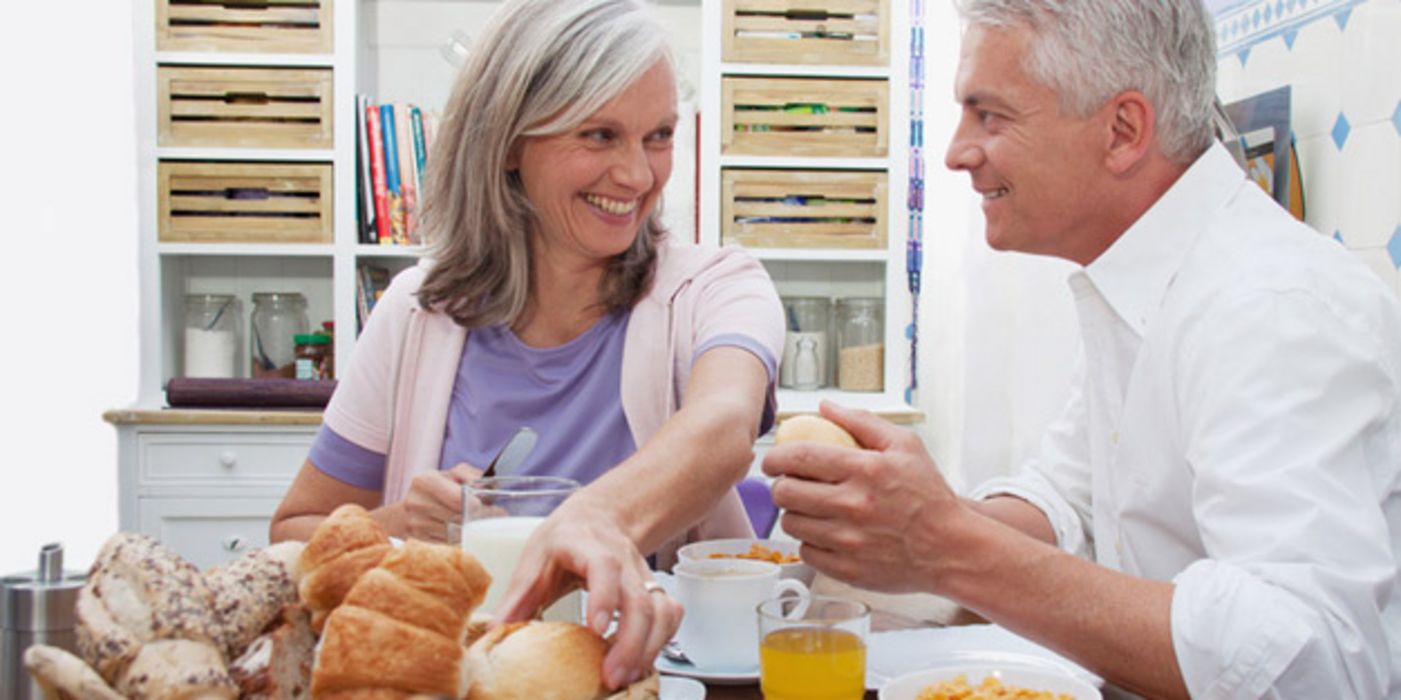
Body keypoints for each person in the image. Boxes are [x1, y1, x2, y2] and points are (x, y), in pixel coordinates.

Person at [764, 1, 1401, 698]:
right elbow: (1065, 504)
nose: (954, 152)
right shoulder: (1137, 287)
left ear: (1122, 131)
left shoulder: (1272, 307)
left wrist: (945, 546)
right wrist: (896, 519)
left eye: (990, 115)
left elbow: (1310, 659)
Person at [269, 0, 784, 688]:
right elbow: (295, 533)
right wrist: (404, 526)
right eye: (599, 135)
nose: (636, 175)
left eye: (656, 135)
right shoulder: (416, 312)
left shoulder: (716, 287)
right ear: (510, 142)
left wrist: (592, 521)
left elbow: (723, 426)